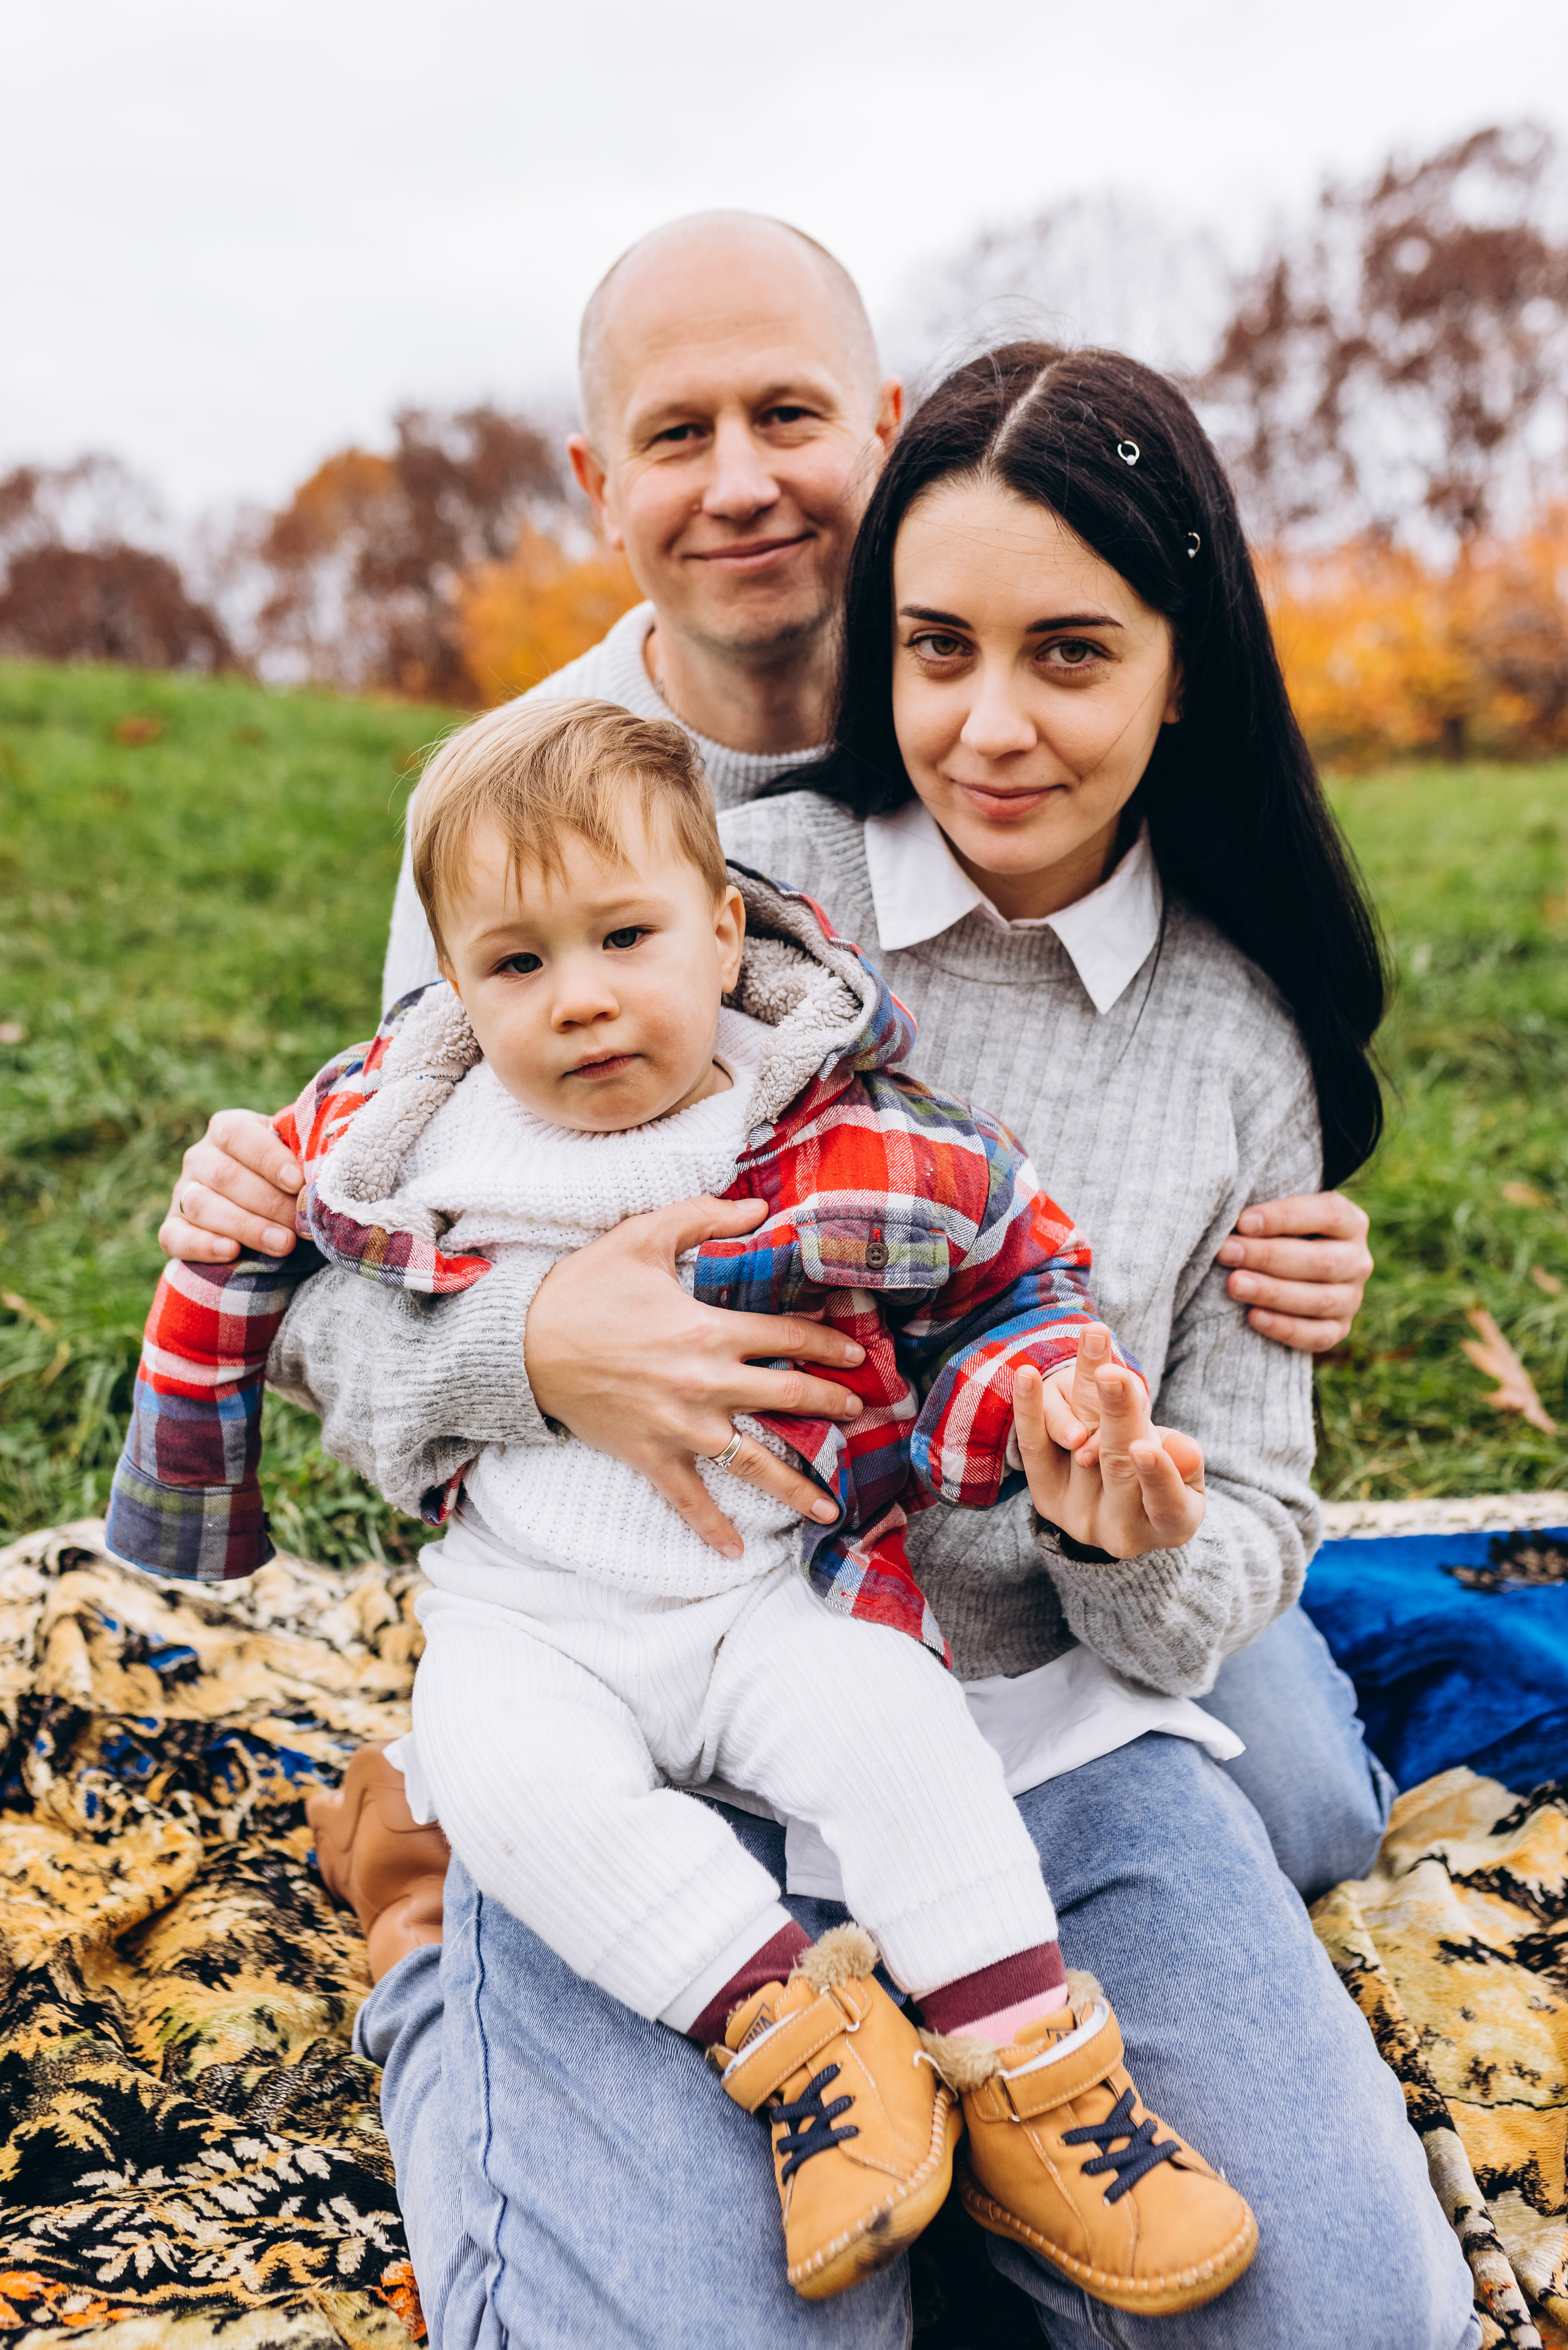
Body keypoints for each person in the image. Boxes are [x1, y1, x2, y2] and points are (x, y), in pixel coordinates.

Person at [303, 344, 1477, 2347]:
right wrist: (537, 1348)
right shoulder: (723, 890)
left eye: (1072, 657)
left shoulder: (1240, 1043)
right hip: (659, 1746)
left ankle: (980, 2110)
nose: (990, 726)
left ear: (1185, 668)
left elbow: (1245, 1525)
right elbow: (349, 1311)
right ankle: (438, 1936)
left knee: (1350, 2324)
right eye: (934, 648)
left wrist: (1124, 1535)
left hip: (1037, 1751)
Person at [159, 213, 1385, 1902]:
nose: (741, 484)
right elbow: (380, 1243)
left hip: (1046, 1529)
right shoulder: (535, 815)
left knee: (1308, 1813)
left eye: (789, 419)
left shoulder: (1022, 675)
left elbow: (1199, 1026)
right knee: (718, 1817)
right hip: (715, 1529)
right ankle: (453, 1854)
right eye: (679, 435)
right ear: (601, 481)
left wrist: (1281, 1231)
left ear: (885, 434)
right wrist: (532, 1342)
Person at [113, 694, 1258, 2313]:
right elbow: (249, 1269)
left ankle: (1036, 2076)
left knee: (897, 1738)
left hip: (773, 1592)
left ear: (724, 932)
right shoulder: (406, 1129)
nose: (577, 1001)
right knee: (508, 1790)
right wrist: (201, 1405)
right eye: (515, 966)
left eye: (624, 938)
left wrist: (1055, 1401)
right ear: (453, 984)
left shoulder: (828, 1127)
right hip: (533, 1610)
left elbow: (1013, 1284)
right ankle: (798, 2030)